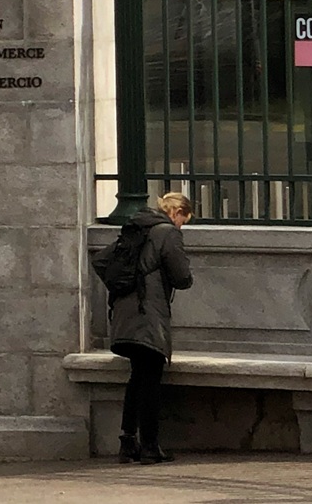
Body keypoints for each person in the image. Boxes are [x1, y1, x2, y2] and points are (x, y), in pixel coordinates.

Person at [99, 191, 194, 465]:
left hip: (125, 312)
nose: (181, 227)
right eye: (183, 221)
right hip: (148, 314)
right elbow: (182, 276)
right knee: (150, 378)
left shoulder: (137, 227)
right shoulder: (167, 232)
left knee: (137, 377)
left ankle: (127, 443)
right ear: (177, 213)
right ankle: (150, 446)